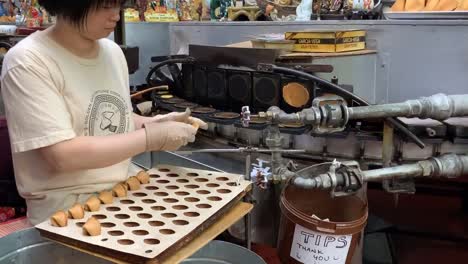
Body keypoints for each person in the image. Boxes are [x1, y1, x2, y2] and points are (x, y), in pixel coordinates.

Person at [0, 0, 207, 225]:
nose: (116, 16)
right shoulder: (29, 61)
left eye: (118, 5)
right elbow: (62, 155)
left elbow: (110, 119)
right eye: (105, 6)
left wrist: (151, 124)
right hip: (65, 208)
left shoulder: (112, 52)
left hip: (125, 188)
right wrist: (150, 138)